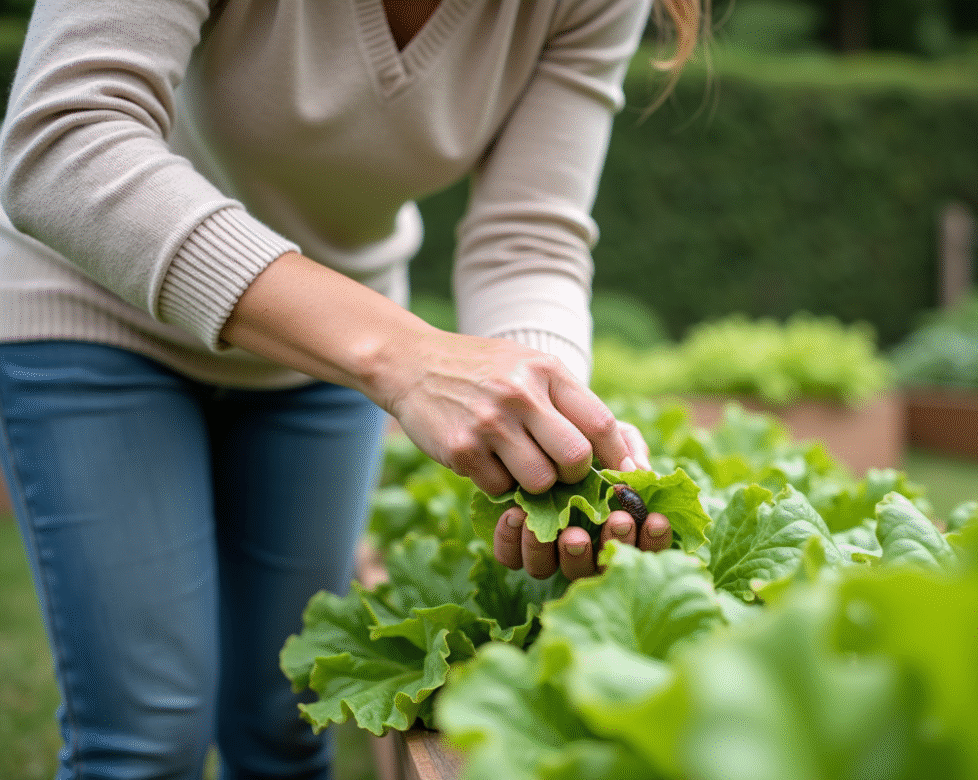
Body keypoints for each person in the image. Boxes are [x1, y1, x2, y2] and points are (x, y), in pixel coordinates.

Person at [0, 0, 706, 778]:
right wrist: (405, 357)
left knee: (288, 720)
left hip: (326, 355)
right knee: (148, 736)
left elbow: (528, 235)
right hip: (99, 310)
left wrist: (546, 426)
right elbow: (67, 135)